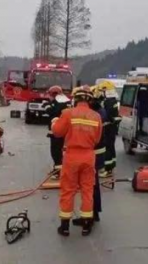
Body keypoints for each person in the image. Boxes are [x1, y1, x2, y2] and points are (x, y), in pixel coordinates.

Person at [52, 86, 102, 237]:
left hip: (72, 156)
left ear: (76, 99)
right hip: (88, 156)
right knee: (87, 190)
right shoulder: (96, 116)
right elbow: (98, 139)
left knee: (68, 190)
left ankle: (65, 226)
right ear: (89, 100)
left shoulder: (68, 113)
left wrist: (55, 122)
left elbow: (57, 132)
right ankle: (87, 224)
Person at [73, 87, 106, 226]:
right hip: (96, 153)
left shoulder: (95, 114)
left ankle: (90, 215)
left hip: (92, 154)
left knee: (89, 186)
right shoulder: (99, 112)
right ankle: (94, 213)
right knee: (93, 185)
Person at [43, 86, 70, 177]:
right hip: (65, 130)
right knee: (61, 151)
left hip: (57, 130)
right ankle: (59, 169)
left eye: (50, 95)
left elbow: (51, 112)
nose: (49, 97)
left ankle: (58, 172)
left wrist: (46, 105)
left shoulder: (57, 102)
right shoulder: (67, 101)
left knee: (55, 151)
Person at [96, 81, 121, 178]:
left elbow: (107, 115)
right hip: (112, 127)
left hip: (108, 128)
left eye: (103, 91)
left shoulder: (108, 102)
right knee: (111, 147)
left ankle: (107, 169)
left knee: (107, 148)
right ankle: (111, 167)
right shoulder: (113, 100)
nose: (102, 92)